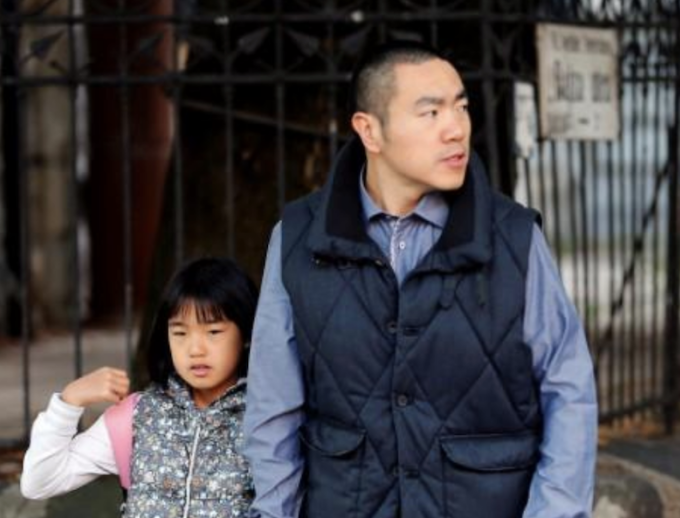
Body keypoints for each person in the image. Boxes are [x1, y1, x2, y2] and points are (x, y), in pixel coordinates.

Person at [243, 40, 597, 518]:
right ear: (370, 130)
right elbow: (273, 408)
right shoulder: (298, 240)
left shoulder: (515, 239)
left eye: (461, 107)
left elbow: (569, 392)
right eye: (430, 113)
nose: (455, 129)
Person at [21, 257, 260, 517]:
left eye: (213, 332)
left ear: (246, 334)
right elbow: (39, 482)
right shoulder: (137, 415)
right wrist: (68, 402)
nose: (195, 350)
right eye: (180, 333)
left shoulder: (266, 419)